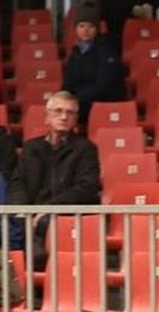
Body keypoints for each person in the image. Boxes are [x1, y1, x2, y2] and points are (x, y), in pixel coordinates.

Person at [5, 91, 101, 271]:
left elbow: (86, 187)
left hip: (65, 213)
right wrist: (22, 212)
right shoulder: (31, 148)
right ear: (47, 117)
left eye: (70, 112)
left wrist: (48, 208)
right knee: (11, 221)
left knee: (44, 224)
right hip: (32, 214)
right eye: (58, 111)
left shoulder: (86, 149)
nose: (64, 117)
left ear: (75, 119)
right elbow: (18, 183)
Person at [62, 0, 127, 127]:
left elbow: (103, 86)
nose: (85, 30)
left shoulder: (107, 52)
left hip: (103, 104)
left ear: (97, 29)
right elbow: (68, 84)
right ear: (76, 29)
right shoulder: (74, 54)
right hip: (81, 104)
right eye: (81, 26)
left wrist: (77, 100)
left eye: (90, 26)